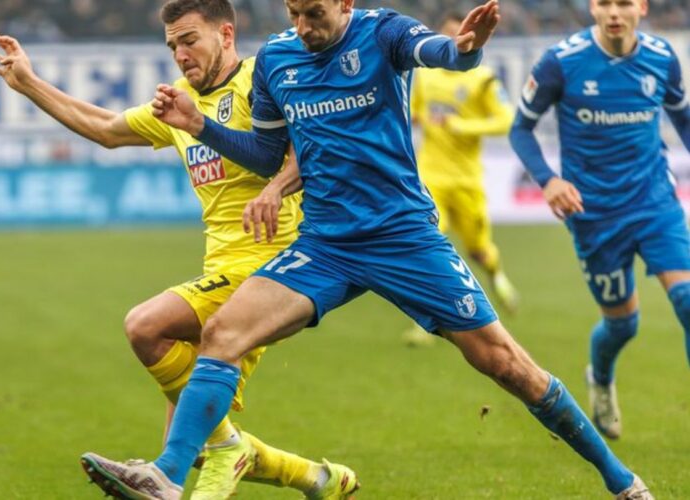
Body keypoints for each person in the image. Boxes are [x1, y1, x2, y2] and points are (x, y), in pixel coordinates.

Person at [99, 0, 653, 498]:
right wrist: (200, 125)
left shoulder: (381, 31)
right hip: (326, 243)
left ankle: (622, 481)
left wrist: (465, 47)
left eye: (313, 13)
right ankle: (168, 475)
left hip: (402, 237)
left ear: (344, 2)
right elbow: (268, 154)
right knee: (223, 333)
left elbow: (440, 53)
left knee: (506, 365)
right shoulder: (276, 60)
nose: (303, 26)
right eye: (293, 13)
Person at [0, 1, 359, 499]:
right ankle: (318, 479)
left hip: (270, 269)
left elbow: (308, 151)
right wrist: (29, 83)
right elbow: (106, 129)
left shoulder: (261, 82)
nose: (180, 55)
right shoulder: (179, 102)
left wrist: (276, 190)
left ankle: (229, 452)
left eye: (189, 40)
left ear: (226, 34)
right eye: (172, 46)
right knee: (193, 444)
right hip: (220, 270)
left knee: (146, 325)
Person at [509, 0, 690, 441]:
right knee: (622, 323)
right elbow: (520, 129)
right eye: (604, 2)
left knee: (687, 300)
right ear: (592, 8)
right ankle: (602, 379)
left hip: (654, 203)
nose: (614, 12)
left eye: (624, 2)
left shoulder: (661, 57)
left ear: (641, 8)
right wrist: (549, 180)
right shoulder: (562, 61)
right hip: (594, 215)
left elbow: (683, 117)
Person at [402, 10, 518, 347]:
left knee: (479, 250)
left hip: (467, 181)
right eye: (450, 37)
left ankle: (497, 275)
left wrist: (463, 126)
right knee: (426, 247)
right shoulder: (425, 77)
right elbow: (415, 112)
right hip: (431, 177)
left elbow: (506, 120)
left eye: (463, 35)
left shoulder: (483, 79)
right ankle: (423, 324)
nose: (458, 42)